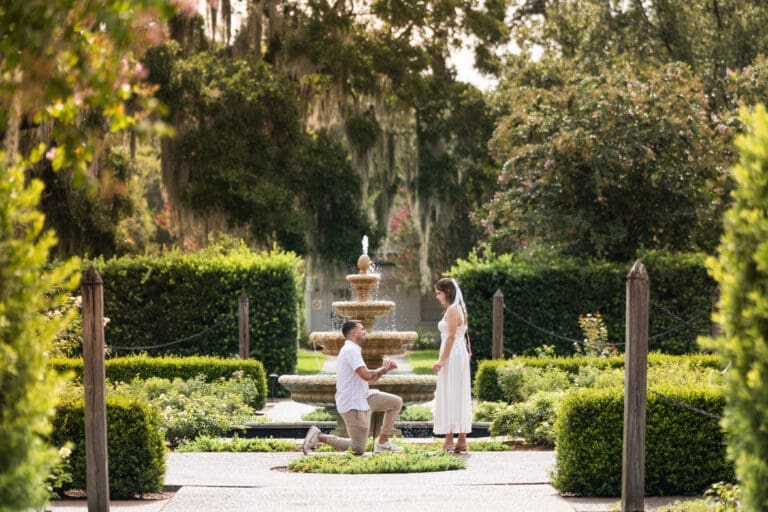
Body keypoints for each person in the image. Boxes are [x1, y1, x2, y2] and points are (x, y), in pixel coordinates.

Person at [302, 319, 404, 455]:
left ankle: (383, 442)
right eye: (362, 329)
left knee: (396, 402)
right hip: (352, 403)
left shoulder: (353, 350)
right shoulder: (350, 350)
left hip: (365, 397)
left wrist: (384, 370)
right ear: (354, 332)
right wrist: (383, 369)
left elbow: (368, 381)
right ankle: (319, 436)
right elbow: (366, 375)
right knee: (358, 448)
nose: (365, 331)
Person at [432, 277, 473, 452]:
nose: (437, 297)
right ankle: (459, 439)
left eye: (439, 293)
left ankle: (451, 439)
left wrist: (442, 360)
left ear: (447, 292)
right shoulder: (458, 308)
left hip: (453, 355)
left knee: (451, 392)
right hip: (457, 353)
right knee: (457, 392)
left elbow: (450, 336)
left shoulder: (452, 310)